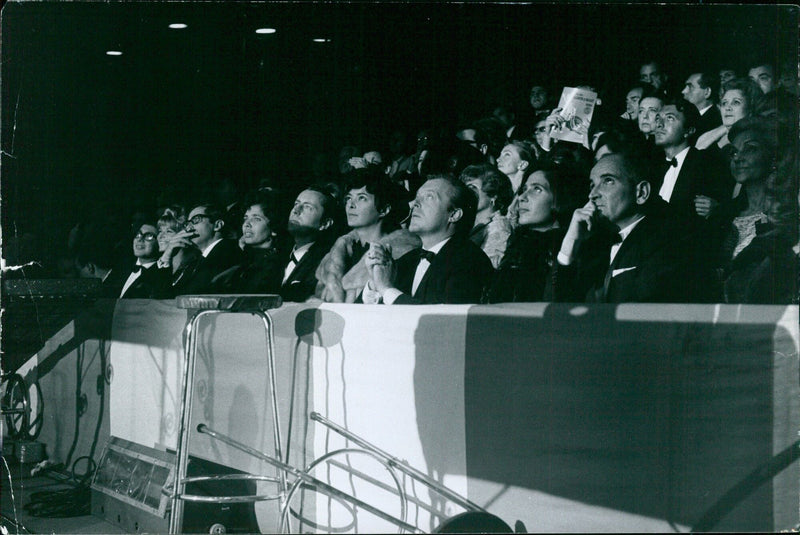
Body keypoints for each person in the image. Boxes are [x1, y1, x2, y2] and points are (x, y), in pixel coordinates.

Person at [553, 152, 714, 303]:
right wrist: (570, 242)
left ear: (641, 192)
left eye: (608, 181)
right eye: (592, 184)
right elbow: (558, 307)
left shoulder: (673, 239)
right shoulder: (594, 243)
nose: (592, 194)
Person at [363, 175, 493, 304]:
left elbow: (440, 321)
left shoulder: (471, 261)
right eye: (417, 198)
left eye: (429, 197)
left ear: (453, 214)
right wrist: (375, 281)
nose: (414, 204)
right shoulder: (407, 260)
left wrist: (386, 289)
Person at [711, 118, 798, 303]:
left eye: (750, 149)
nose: (738, 157)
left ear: (773, 157)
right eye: (734, 152)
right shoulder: (721, 216)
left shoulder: (788, 214)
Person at [314, 169, 419, 302]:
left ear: (384, 209)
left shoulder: (402, 255)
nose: (351, 205)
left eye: (361, 198)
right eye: (348, 198)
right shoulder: (334, 256)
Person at [484, 162, 583, 303]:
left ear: (559, 198)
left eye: (537, 189)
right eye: (524, 189)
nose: (522, 197)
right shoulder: (518, 242)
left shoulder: (570, 245)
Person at [652, 96, 731, 225]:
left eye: (669, 118)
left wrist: (717, 208)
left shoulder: (706, 163)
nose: (659, 124)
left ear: (689, 130)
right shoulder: (652, 167)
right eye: (658, 118)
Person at [158, 202, 244, 295]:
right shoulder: (194, 263)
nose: (189, 227)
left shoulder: (229, 254)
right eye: (188, 223)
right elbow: (164, 296)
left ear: (217, 225)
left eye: (196, 219)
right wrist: (166, 257)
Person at [215, 191, 285, 294]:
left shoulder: (274, 264)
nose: (247, 224)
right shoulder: (242, 259)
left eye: (256, 219)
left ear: (273, 229)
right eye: (245, 218)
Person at [280, 185, 339, 302]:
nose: (296, 210)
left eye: (307, 207)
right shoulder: (277, 257)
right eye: (296, 204)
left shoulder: (326, 262)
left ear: (325, 224)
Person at [460, 164, 514, 268]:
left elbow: (487, 268)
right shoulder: (469, 222)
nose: (465, 193)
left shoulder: (499, 227)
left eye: (473, 188)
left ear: (493, 195)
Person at [696, 77, 762, 152]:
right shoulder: (708, 137)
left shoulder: (753, 140)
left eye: (736, 102)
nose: (727, 108)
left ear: (750, 108)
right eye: (724, 103)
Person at [115, 222, 170, 298]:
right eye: (138, 234)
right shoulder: (122, 268)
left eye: (149, 236)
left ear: (159, 242)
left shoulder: (161, 275)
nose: (140, 239)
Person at [681, 71, 722, 136]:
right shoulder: (690, 117)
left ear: (707, 92)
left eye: (690, 87)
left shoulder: (714, 122)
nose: (684, 91)